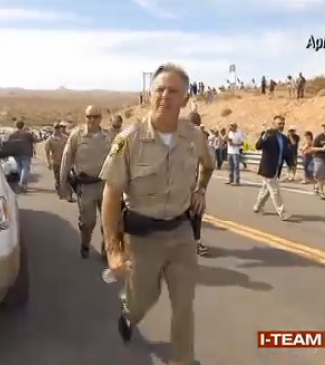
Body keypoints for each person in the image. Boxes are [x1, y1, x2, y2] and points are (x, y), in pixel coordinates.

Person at [99, 63, 215, 365]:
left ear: (186, 99)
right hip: (142, 237)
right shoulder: (129, 139)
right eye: (159, 89)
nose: (164, 95)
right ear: (149, 94)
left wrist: (200, 190)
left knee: (184, 304)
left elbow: (210, 164)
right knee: (142, 299)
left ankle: (183, 360)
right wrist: (113, 249)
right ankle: (129, 313)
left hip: (181, 234)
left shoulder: (195, 136)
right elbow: (111, 195)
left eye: (173, 90)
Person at [59, 105, 113, 260]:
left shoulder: (108, 137)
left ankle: (106, 251)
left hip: (105, 185)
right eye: (88, 117)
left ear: (100, 118)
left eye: (95, 117)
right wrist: (63, 184)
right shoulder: (77, 136)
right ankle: (85, 243)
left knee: (108, 221)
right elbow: (66, 158)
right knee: (88, 222)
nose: (91, 120)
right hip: (86, 187)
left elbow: (117, 158)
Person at [252, 116, 294, 221]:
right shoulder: (268, 135)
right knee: (275, 191)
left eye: (283, 123)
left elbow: (286, 153)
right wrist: (265, 134)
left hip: (276, 168)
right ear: (274, 124)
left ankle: (258, 206)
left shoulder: (284, 138)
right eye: (279, 123)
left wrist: (291, 165)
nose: (281, 126)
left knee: (266, 189)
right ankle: (282, 213)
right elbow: (258, 146)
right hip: (267, 168)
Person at [187, 111, 210, 256]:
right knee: (195, 213)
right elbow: (208, 163)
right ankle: (195, 242)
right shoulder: (198, 137)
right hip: (189, 182)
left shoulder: (177, 133)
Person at [6, 120, 37, 192]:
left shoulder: (12, 135)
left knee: (20, 168)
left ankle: (23, 184)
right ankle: (21, 183)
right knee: (25, 168)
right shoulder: (27, 134)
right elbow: (34, 140)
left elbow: (8, 143)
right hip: (26, 153)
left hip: (16, 153)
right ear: (23, 125)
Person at [44, 121, 72, 200]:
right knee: (58, 179)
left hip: (66, 162)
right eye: (56, 128)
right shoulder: (50, 140)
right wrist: (48, 162)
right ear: (53, 129)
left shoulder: (65, 138)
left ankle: (69, 195)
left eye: (58, 128)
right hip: (56, 162)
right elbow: (47, 151)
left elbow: (71, 149)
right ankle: (60, 193)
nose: (57, 129)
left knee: (67, 178)